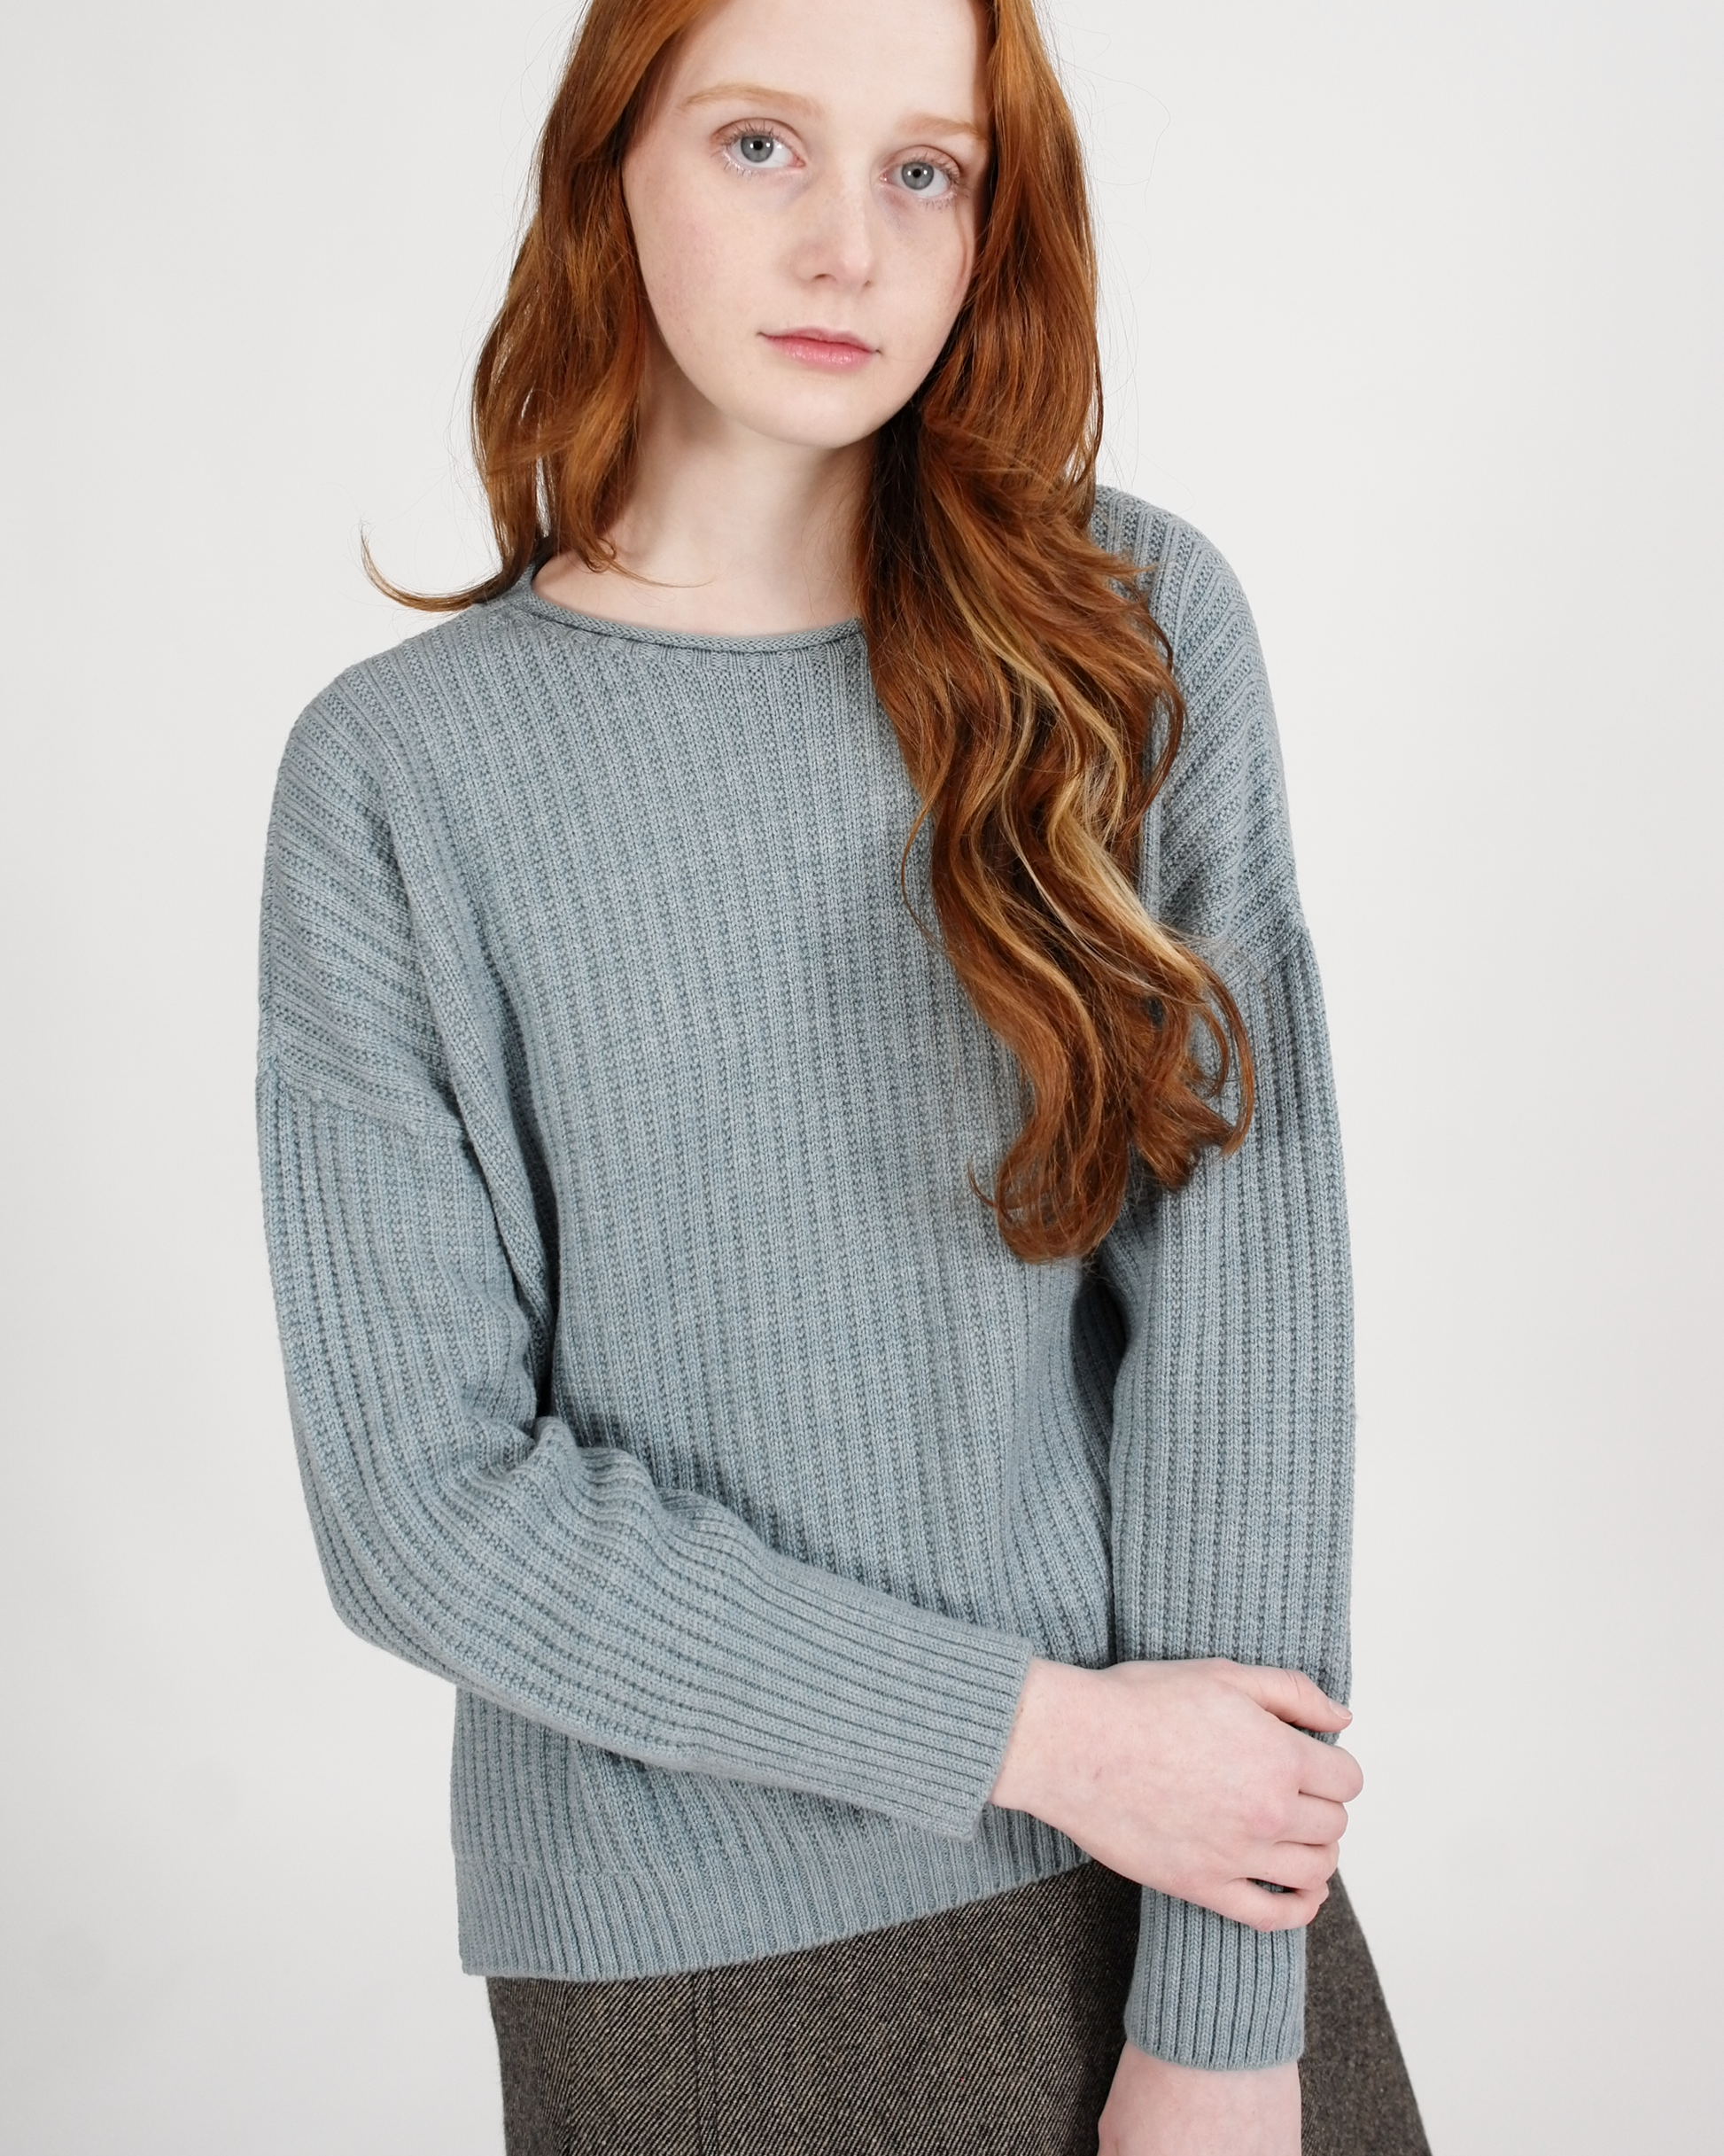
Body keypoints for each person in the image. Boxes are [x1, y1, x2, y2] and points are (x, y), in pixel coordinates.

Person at [256, 0, 1427, 2148]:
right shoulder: (402, 775)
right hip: (693, 1979)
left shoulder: (1122, 635)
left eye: (923, 171)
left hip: (1167, 1899)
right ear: (611, 163)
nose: (848, 250)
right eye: (759, 146)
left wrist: (1223, 2003)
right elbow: (420, 1508)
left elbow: (1245, 1340)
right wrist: (1047, 1739)